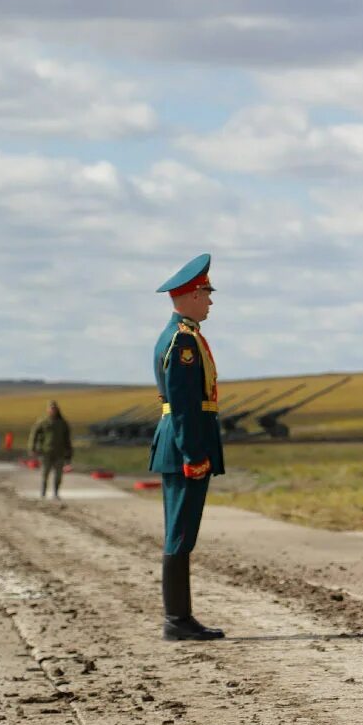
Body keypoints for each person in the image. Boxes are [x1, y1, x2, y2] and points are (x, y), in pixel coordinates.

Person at [149, 253, 225, 641]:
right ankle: (177, 620)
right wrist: (194, 453)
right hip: (184, 447)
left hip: (182, 444)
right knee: (179, 532)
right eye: (206, 293)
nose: (210, 301)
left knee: (182, 531)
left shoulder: (185, 335)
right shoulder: (182, 341)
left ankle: (180, 617)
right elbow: (182, 406)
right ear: (192, 295)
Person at [29, 401, 73, 499]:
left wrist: (69, 453)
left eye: (54, 409)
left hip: (59, 453)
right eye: (51, 409)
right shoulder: (43, 422)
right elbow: (34, 434)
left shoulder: (62, 423)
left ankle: (56, 493)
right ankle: (43, 492)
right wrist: (32, 448)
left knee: (58, 475)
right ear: (48, 410)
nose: (53, 411)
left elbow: (67, 439)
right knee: (45, 473)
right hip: (46, 452)